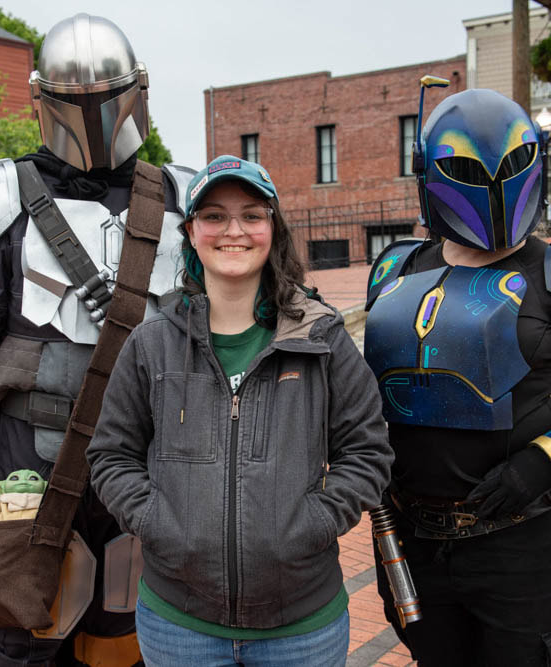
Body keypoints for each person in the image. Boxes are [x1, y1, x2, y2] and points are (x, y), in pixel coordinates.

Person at [363, 88, 551, 666]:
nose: (489, 186)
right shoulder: (396, 269)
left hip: (523, 543)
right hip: (413, 540)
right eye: (466, 170)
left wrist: (546, 461)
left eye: (508, 165)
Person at [0, 13, 195, 667]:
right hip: (32, 457)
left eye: (108, 98)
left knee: (123, 638)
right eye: (77, 100)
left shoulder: (185, 196)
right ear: (43, 98)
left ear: (137, 91)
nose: (94, 115)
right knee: (28, 632)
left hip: (147, 455)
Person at [86, 155, 393, 666]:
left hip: (302, 628)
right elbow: (111, 455)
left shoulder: (321, 338)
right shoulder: (151, 343)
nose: (234, 231)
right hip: (179, 626)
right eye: (214, 216)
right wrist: (157, 522)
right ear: (191, 232)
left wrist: (314, 522)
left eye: (251, 215)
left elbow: (368, 451)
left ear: (273, 229)